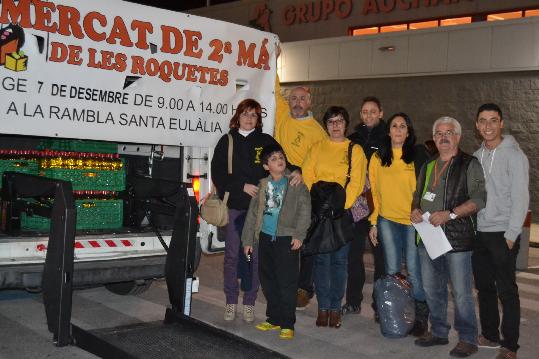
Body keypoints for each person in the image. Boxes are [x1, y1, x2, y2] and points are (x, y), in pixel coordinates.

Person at [211, 98, 300, 323]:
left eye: (253, 115)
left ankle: (249, 302)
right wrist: (241, 186)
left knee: (254, 257)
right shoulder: (227, 141)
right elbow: (218, 174)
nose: (249, 118)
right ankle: (231, 301)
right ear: (237, 117)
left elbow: (281, 163)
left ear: (258, 119)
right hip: (236, 208)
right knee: (232, 256)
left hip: (262, 210)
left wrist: (296, 170)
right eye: (245, 114)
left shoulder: (266, 140)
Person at [411, 116, 486, 358]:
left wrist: (450, 214)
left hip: (457, 238)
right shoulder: (428, 166)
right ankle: (439, 331)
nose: (443, 137)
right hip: (428, 237)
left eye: (449, 132)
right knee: (433, 289)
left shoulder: (469, 164)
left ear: (458, 137)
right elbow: (417, 194)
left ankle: (467, 338)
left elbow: (479, 199)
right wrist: (415, 210)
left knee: (462, 292)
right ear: (434, 139)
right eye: (439, 133)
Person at [472, 103, 529, 359]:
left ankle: (510, 345)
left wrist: (511, 234)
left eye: (493, 120)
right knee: (484, 287)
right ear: (476, 125)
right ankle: (491, 335)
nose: (488, 126)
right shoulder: (476, 156)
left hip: (502, 232)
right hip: (480, 231)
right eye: (483, 121)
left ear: (501, 123)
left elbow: (521, 198)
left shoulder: (515, 156)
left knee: (507, 290)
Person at [302, 106, 367, 328]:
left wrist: (339, 207)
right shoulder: (317, 148)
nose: (335, 125)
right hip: (320, 214)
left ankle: (335, 307)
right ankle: (322, 308)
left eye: (339, 121)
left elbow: (357, 182)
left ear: (346, 124)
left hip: (341, 214)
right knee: (321, 261)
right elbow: (307, 175)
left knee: (339, 262)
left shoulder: (354, 150)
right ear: (326, 125)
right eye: (331, 121)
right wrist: (321, 206)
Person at [241, 144, 311, 340]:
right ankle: (274, 318)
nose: (279, 160)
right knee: (268, 279)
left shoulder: (296, 183)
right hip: (265, 237)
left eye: (281, 157)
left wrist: (299, 235)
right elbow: (253, 214)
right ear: (266, 166)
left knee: (286, 281)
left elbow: (305, 211)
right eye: (273, 159)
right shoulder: (263, 185)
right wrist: (248, 240)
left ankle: (288, 323)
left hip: (286, 239)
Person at [367, 113, 429, 337]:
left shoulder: (417, 156)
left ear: (409, 131)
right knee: (392, 272)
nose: (398, 130)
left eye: (403, 126)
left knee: (413, 271)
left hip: (412, 222)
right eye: (394, 126)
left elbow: (424, 189)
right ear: (388, 131)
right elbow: (373, 192)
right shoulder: (378, 157)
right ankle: (397, 314)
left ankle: (421, 317)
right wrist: (373, 223)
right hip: (387, 220)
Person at [275, 73, 327, 310]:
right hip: (279, 186)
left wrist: (303, 174)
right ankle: (283, 284)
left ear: (309, 102)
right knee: (281, 239)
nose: (296, 102)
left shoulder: (317, 131)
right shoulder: (283, 118)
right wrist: (272, 58)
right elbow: (274, 89)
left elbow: (323, 162)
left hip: (304, 189)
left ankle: (303, 288)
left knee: (304, 241)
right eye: (293, 98)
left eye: (301, 99)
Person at [344, 96, 387, 319]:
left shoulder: (389, 139)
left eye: (373, 111)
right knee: (353, 255)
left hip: (380, 205)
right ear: (360, 115)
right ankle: (352, 300)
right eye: (364, 111)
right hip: (358, 205)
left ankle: (380, 305)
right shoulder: (352, 140)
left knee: (381, 256)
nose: (368, 115)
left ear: (380, 113)